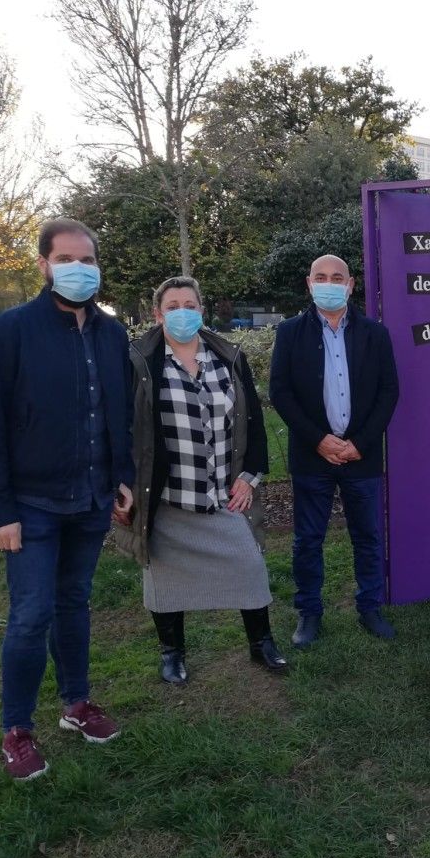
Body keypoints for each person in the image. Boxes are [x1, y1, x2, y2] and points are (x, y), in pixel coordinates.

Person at [0, 218, 134, 782]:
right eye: (67, 259)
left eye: (88, 260)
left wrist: (123, 477)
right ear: (43, 265)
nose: (80, 270)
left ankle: (76, 705)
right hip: (31, 504)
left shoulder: (112, 335)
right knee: (30, 615)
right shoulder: (9, 332)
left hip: (91, 498)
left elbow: (118, 415)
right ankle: (16, 730)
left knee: (73, 605)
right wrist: (0, 512)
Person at [112, 276, 286, 683]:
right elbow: (122, 428)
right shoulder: (139, 360)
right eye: (172, 305)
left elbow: (253, 423)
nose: (182, 312)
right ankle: (172, 652)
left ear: (201, 311)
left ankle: (261, 643)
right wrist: (121, 482)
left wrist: (250, 476)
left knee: (249, 567)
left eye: (190, 304)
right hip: (168, 499)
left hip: (224, 495)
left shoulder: (228, 356)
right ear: (157, 314)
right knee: (165, 582)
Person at [269, 254, 399, 648]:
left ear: (350, 284)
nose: (329, 283)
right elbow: (281, 392)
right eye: (320, 277)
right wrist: (319, 440)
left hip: (362, 457)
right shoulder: (291, 332)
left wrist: (359, 443)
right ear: (309, 284)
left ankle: (369, 607)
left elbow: (388, 392)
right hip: (313, 457)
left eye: (336, 277)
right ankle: (309, 614)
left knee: (368, 537)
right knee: (308, 540)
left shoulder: (375, 333)